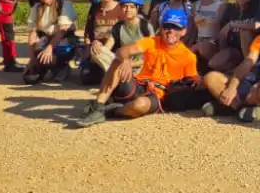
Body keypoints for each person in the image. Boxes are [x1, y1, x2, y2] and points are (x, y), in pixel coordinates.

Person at [76, 7, 207, 126]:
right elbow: (122, 51)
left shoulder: (188, 56)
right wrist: (126, 60)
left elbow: (193, 79)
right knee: (118, 61)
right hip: (138, 84)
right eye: (167, 26)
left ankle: (113, 110)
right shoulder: (151, 41)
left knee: (139, 106)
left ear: (184, 31)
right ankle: (98, 107)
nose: (171, 31)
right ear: (161, 27)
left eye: (176, 27)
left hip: (158, 94)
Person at [23, 0, 78, 84]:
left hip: (63, 41)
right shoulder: (36, 7)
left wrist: (49, 48)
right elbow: (32, 34)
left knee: (50, 56)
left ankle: (62, 66)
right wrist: (32, 59)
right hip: (46, 40)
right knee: (30, 78)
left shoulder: (64, 5)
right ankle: (46, 67)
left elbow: (62, 31)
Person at [209, 0, 260, 75]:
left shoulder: (257, 8)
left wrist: (232, 24)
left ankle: (250, 70)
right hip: (233, 49)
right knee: (213, 63)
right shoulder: (229, 8)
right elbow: (221, 34)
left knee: (244, 31)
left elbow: (257, 25)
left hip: (251, 50)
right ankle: (235, 69)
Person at [80, 0, 123, 84]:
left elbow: (123, 33)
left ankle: (114, 72)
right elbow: (88, 31)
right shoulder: (95, 7)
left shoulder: (121, 9)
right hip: (96, 47)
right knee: (87, 79)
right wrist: (88, 46)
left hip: (114, 49)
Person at [188, 0, 230, 70]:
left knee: (202, 47)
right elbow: (193, 30)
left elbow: (219, 31)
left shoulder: (221, 5)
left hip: (213, 44)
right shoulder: (195, 6)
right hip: (198, 42)